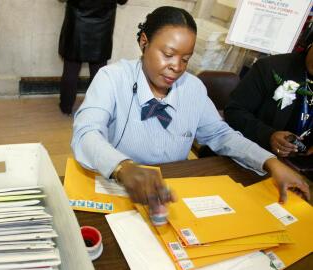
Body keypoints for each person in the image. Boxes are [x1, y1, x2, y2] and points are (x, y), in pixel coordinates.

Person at [71, 6, 310, 211]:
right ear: (144, 42)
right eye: (168, 54)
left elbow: (221, 134)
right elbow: (86, 133)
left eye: (185, 59)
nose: (176, 67)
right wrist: (122, 167)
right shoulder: (112, 78)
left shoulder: (193, 88)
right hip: (120, 186)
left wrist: (270, 162)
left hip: (170, 189)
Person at [224, 47, 313, 158]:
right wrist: (269, 135)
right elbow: (234, 111)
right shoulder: (270, 67)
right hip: (252, 155)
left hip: (302, 163)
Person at [58, 0, 128, 115]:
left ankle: (66, 107)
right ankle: (93, 109)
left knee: (71, 69)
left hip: (76, 24)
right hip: (102, 26)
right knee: (98, 73)